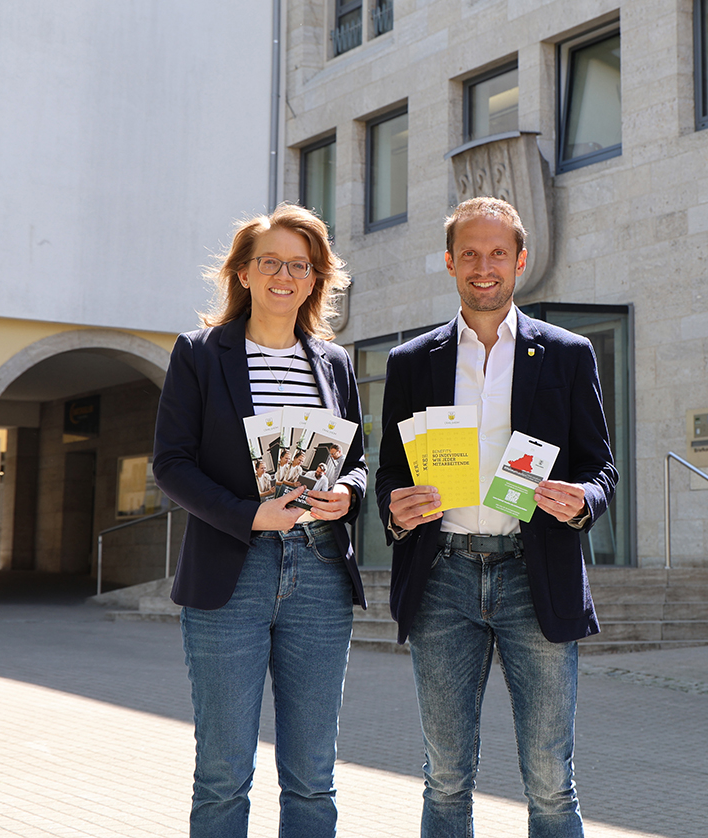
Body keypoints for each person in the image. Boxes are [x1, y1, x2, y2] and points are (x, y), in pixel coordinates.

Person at [375, 197, 617, 838]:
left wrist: (581, 500)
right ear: (450, 262)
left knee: (549, 781)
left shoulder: (566, 354)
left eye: (498, 253)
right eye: (471, 254)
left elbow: (601, 468)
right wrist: (397, 513)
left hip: (531, 574)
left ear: (521, 261)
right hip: (443, 578)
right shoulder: (411, 362)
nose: (485, 267)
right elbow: (390, 479)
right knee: (446, 778)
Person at [153, 203, 368, 838]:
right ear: (243, 274)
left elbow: (356, 461)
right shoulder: (200, 354)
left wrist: (348, 496)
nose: (284, 275)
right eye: (269, 262)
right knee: (223, 774)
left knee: (312, 776)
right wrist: (251, 515)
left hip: (322, 574)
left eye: (299, 265)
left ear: (315, 279)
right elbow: (171, 463)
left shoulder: (335, 363)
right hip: (231, 574)